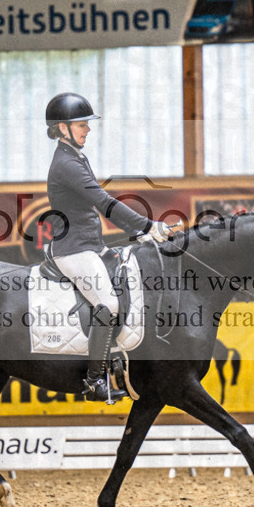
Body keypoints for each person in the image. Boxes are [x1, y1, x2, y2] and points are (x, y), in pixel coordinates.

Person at [44, 92, 172, 402]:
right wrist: (146, 226)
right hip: (73, 250)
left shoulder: (75, 156)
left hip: (89, 244)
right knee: (109, 305)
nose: (88, 129)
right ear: (63, 128)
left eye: (87, 123)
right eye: (81, 124)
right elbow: (104, 202)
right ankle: (92, 381)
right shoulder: (66, 164)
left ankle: (116, 358)